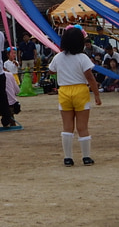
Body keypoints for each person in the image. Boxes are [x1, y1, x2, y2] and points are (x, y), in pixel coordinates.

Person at [48, 26, 101, 166]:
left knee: (67, 126)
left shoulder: (58, 57)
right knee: (82, 126)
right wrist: (97, 95)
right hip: (80, 91)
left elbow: (51, 71)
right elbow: (90, 78)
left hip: (64, 91)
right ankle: (86, 157)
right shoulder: (82, 58)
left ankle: (68, 158)